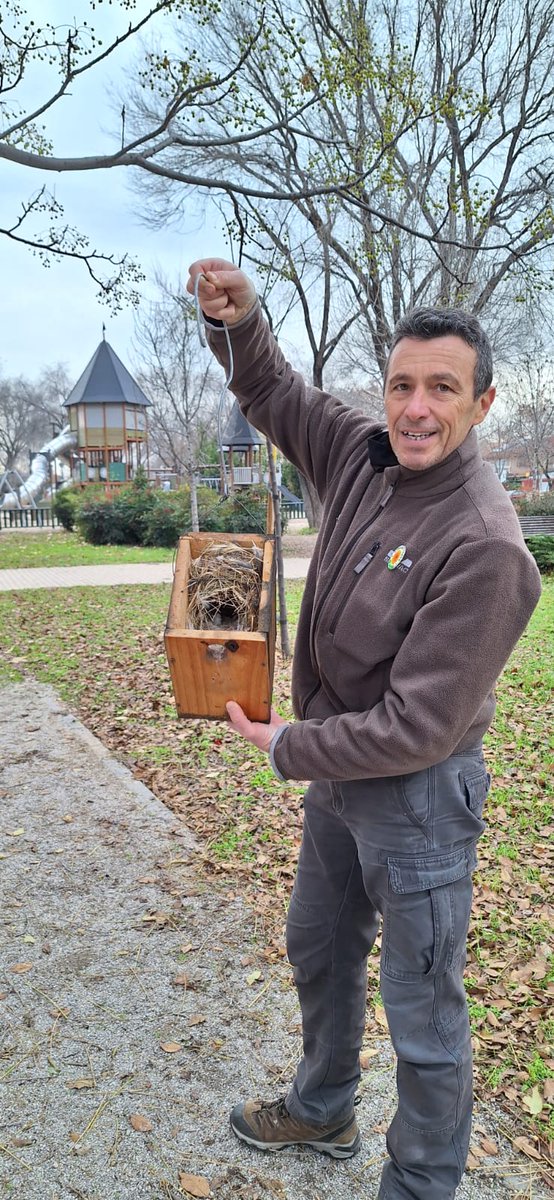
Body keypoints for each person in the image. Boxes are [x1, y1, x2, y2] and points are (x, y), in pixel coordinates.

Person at [187, 258, 541, 1200]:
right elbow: (271, 389)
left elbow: (419, 726)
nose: (416, 408)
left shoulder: (487, 545)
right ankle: (323, 1105)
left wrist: (288, 747)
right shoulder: (358, 451)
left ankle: (421, 1182)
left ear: (482, 403)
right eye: (401, 384)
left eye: (442, 389)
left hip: (418, 795)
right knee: (320, 941)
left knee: (423, 1010)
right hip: (342, 785)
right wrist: (241, 321)